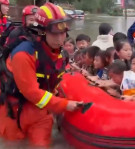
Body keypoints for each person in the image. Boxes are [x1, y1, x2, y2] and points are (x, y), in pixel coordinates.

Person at [0, 3, 84, 147]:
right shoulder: (24, 54)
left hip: (41, 112)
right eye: (55, 33)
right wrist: (64, 104)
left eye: (63, 32)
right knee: (12, 144)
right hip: (14, 111)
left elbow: (55, 81)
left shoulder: (59, 53)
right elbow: (30, 92)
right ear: (42, 32)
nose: (60, 38)